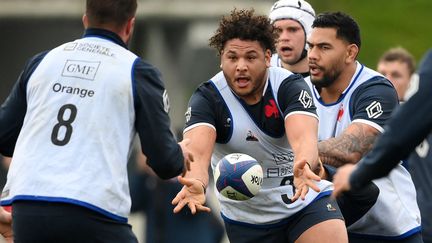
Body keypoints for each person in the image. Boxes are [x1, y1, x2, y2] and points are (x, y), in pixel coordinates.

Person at [0, 0, 194, 242]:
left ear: (85, 19)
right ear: (130, 26)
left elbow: (4, 137)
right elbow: (164, 163)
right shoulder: (137, 71)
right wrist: (179, 154)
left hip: (28, 209)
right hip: (93, 210)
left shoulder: (42, 62)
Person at [172, 9, 348, 243]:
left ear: (267, 57)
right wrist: (196, 181)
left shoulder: (289, 86)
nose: (241, 66)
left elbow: (304, 136)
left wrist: (306, 163)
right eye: (232, 58)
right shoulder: (208, 98)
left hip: (304, 200)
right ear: (221, 58)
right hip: (247, 220)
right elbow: (197, 150)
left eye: (250, 57)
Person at [305, 12, 422, 242]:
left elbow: (352, 149)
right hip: (334, 225)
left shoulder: (376, 88)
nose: (313, 55)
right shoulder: (299, 90)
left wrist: (302, 153)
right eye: (311, 46)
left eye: (324, 47)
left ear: (350, 52)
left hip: (391, 230)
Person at [333, 49, 432, 243]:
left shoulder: (406, 123)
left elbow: (396, 140)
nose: (387, 80)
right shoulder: (368, 114)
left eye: (395, 75)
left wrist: (358, 174)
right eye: (382, 73)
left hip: (411, 226)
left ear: (413, 82)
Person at [269, 0, 315, 77]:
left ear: (309, 34)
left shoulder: (329, 75)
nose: (284, 38)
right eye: (278, 31)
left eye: (293, 30)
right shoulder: (262, 73)